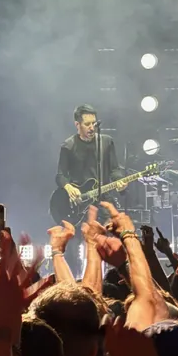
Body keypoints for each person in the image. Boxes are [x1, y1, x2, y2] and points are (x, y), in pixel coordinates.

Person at [54, 104, 125, 269]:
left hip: (103, 200)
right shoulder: (68, 146)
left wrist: (120, 180)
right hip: (79, 203)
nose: (92, 127)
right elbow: (60, 176)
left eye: (94, 123)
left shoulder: (106, 142)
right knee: (75, 245)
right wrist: (69, 187)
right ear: (77, 124)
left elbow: (115, 169)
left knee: (110, 240)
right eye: (87, 124)